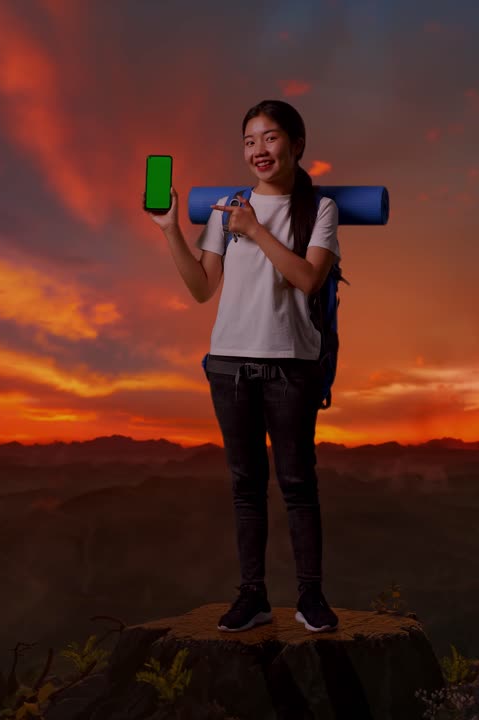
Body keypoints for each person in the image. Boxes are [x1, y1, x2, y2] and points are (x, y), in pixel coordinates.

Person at [144, 99, 341, 633]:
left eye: (271, 138)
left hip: (291, 365)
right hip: (229, 365)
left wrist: (254, 232)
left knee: (298, 482)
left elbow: (309, 279)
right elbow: (202, 289)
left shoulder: (318, 208)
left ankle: (311, 598)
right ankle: (252, 597)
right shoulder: (227, 207)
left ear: (297, 145)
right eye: (250, 141)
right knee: (246, 486)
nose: (259, 149)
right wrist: (169, 230)